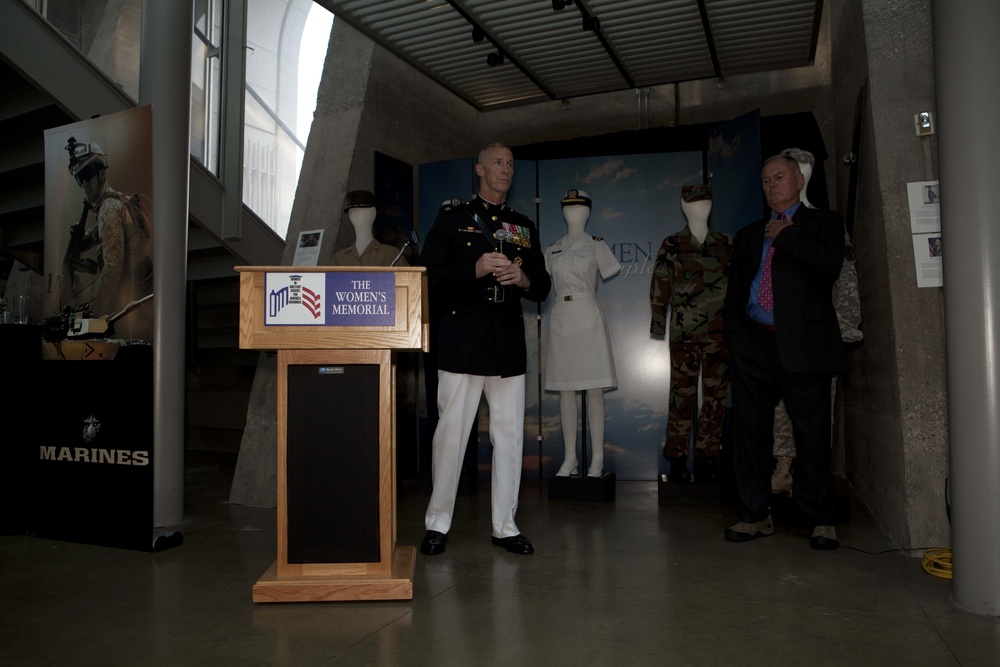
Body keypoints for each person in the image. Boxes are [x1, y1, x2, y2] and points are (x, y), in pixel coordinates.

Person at [419, 142, 551, 556]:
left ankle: (505, 526)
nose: (506, 169)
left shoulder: (522, 225)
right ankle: (438, 524)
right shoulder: (452, 219)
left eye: (511, 164)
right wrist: (473, 270)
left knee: (510, 436)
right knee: (451, 435)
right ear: (479, 169)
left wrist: (524, 279)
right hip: (461, 337)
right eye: (498, 162)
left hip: (506, 338)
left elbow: (544, 284)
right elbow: (428, 279)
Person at [723, 154, 846, 550]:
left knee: (811, 434)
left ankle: (820, 519)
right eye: (765, 180)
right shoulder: (746, 235)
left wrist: (785, 234)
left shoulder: (824, 223)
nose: (772, 185)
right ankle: (755, 516)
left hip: (803, 346)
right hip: (754, 344)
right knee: (750, 435)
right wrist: (737, 339)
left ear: (798, 179)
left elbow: (828, 266)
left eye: (779, 177)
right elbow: (735, 293)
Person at [650, 184, 733, 483]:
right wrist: (658, 324)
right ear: (684, 206)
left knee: (715, 398)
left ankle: (708, 457)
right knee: (681, 398)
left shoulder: (726, 242)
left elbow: (738, 287)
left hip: (720, 334)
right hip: (684, 334)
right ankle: (676, 458)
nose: (701, 207)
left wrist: (739, 328)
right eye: (695, 203)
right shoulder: (672, 244)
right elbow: (660, 284)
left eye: (706, 202)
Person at [544, 189, 621, 478]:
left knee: (595, 389)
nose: (571, 212)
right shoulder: (551, 249)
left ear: (587, 211)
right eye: (567, 207)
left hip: (588, 315)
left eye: (577, 207)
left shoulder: (597, 245)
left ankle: (597, 458)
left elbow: (610, 270)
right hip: (562, 317)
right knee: (565, 390)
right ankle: (569, 458)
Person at [63, 137, 153, 327]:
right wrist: (83, 238)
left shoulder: (109, 210)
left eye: (88, 175)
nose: (84, 184)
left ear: (101, 175)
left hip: (137, 300)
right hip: (140, 291)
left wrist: (78, 301)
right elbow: (101, 234)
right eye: (80, 179)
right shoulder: (115, 201)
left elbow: (111, 275)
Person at [330, 190, 409, 267]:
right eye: (353, 212)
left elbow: (410, 279)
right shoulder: (339, 259)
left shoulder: (391, 254)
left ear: (373, 214)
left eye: (363, 211)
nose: (356, 215)